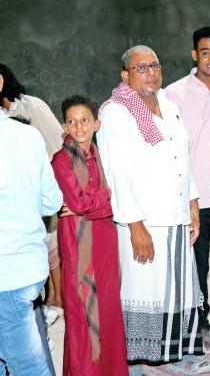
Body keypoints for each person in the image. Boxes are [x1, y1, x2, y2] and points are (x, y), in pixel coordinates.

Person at [97, 45, 210, 375]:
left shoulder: (168, 104)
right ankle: (135, 363)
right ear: (125, 75)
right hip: (144, 222)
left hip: (176, 215)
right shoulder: (116, 113)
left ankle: (178, 355)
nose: (151, 73)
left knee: (179, 291)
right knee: (143, 292)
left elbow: (182, 157)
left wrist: (193, 204)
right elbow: (117, 172)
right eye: (141, 67)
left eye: (155, 66)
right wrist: (135, 226)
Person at [166, 26, 210, 348]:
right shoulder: (174, 94)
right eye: (205, 52)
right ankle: (202, 323)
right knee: (197, 265)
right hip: (192, 199)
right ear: (195, 54)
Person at [51, 95, 128, 376]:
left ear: (97, 123)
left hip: (105, 238)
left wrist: (95, 200)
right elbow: (80, 202)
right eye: (72, 122)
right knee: (82, 310)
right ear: (64, 126)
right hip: (77, 243)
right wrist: (104, 195)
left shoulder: (100, 153)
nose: (79, 127)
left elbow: (90, 203)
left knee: (108, 309)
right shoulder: (61, 161)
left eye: (84, 120)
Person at [0, 80, 63, 375]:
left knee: (26, 366)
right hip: (27, 269)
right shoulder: (28, 136)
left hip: (7, 276)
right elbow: (51, 203)